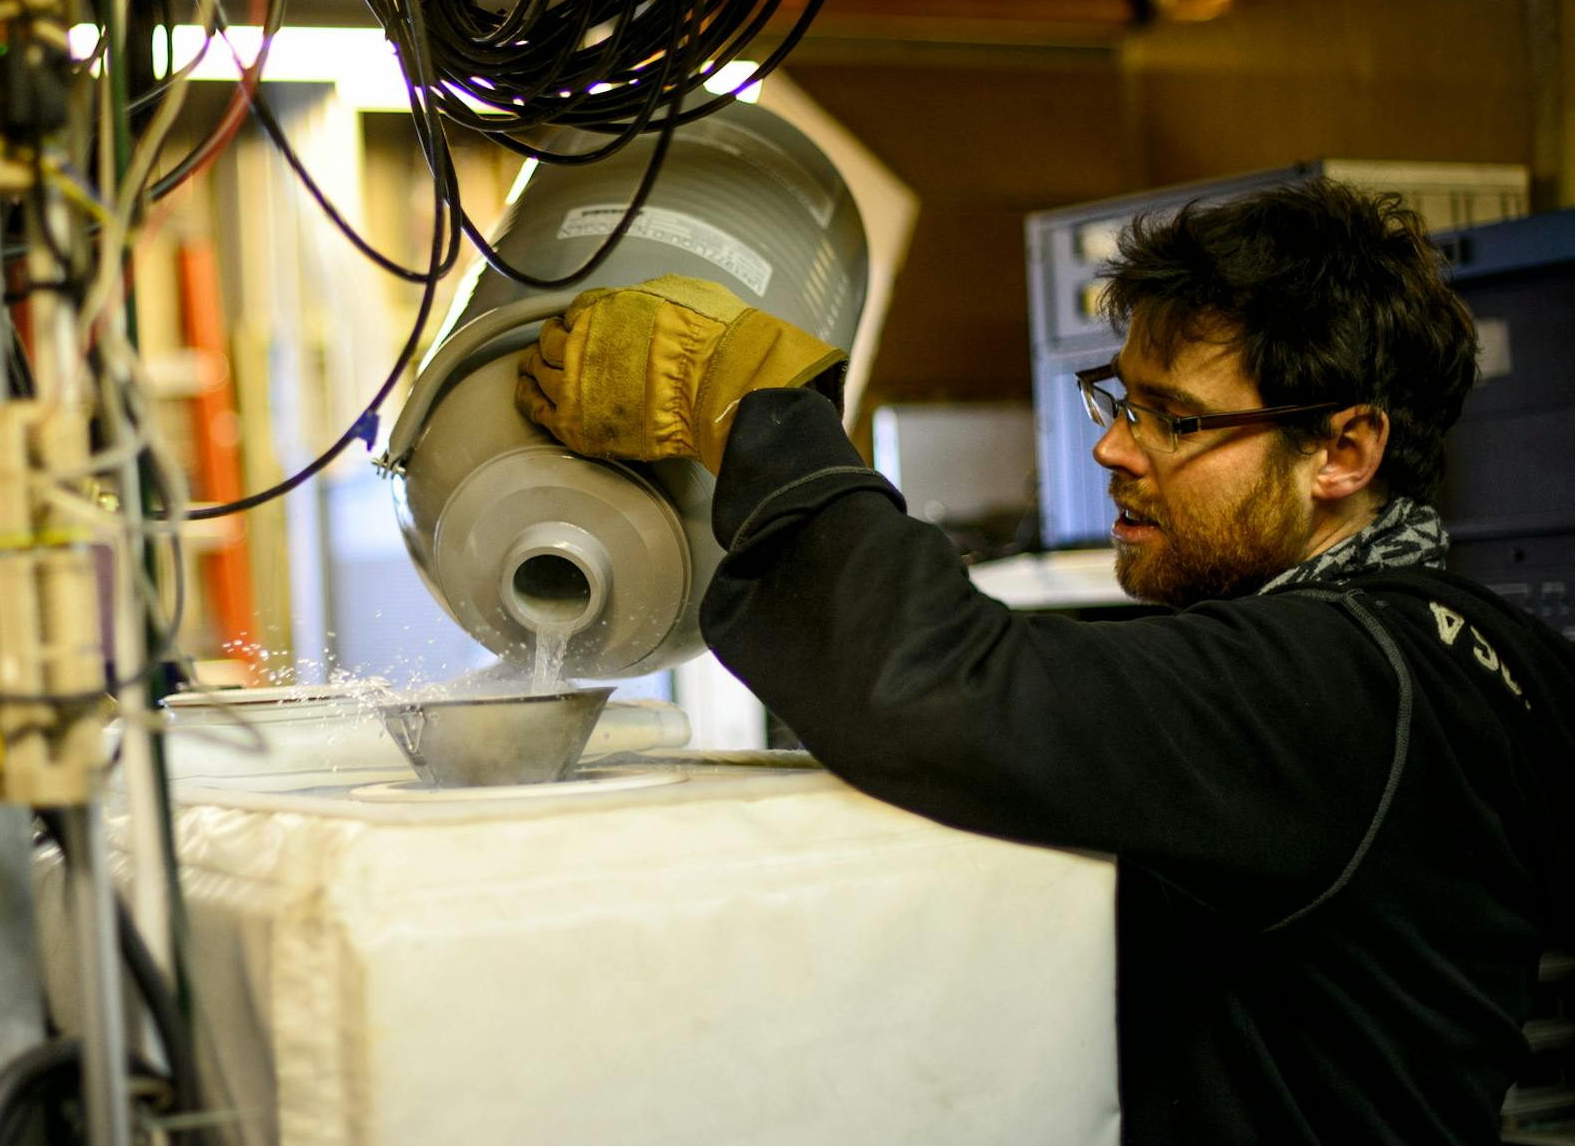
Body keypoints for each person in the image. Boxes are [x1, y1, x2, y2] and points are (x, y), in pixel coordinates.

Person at [515, 178, 1575, 1145]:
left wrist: (759, 416)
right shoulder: (1488, 652)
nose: (1116, 447)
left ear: (1343, 452)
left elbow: (939, 685)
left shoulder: (1333, 681)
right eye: (1122, 398)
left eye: (1176, 420)